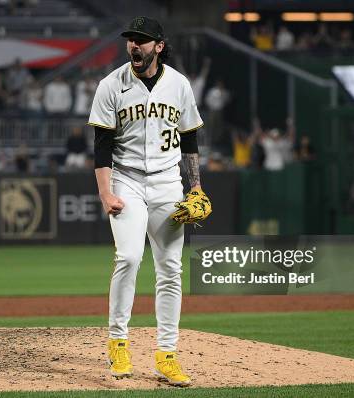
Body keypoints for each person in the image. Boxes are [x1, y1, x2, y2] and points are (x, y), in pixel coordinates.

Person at [89, 16, 210, 386]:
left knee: (171, 268)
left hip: (166, 182)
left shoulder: (179, 85)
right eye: (130, 40)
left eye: (141, 40)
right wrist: (106, 192)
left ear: (158, 46)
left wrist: (195, 188)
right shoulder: (112, 85)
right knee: (127, 257)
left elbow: (189, 140)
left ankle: (167, 355)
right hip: (125, 179)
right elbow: (102, 146)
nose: (134, 46)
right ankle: (118, 342)